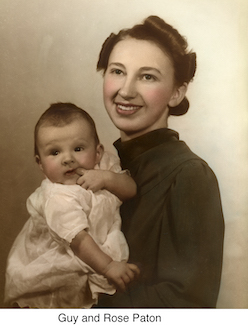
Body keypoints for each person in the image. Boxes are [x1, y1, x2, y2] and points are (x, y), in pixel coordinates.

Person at [94, 15, 225, 308]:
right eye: (117, 71)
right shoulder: (101, 166)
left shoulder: (190, 175)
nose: (125, 91)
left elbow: (189, 303)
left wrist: (81, 308)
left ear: (177, 93)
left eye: (147, 76)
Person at [4, 102, 139, 308]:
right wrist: (110, 266)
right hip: (59, 265)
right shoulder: (57, 197)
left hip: (92, 253)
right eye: (55, 152)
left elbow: (131, 190)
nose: (67, 159)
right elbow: (79, 241)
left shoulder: (104, 167)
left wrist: (108, 179)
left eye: (78, 148)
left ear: (98, 152)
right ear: (40, 164)